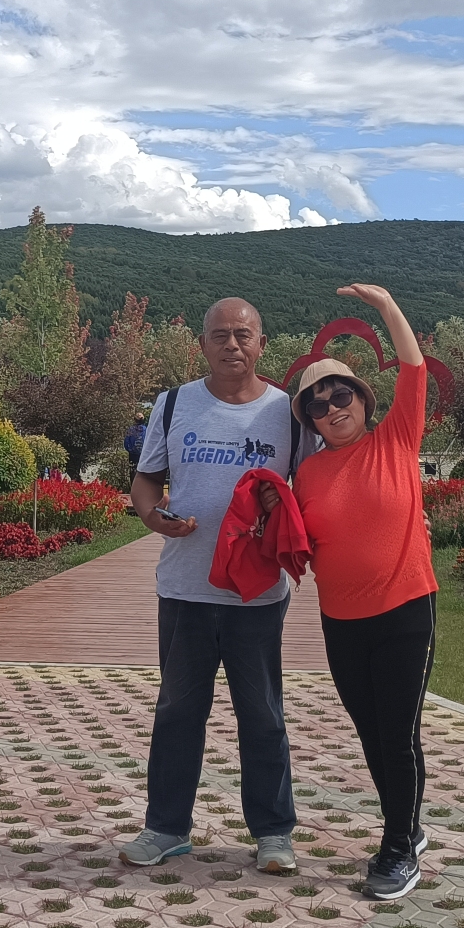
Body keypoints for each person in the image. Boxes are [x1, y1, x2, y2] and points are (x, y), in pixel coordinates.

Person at [121, 297, 302, 874]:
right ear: (202, 344)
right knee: (178, 712)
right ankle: (166, 828)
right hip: (184, 589)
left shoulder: (290, 414)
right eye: (220, 335)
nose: (232, 344)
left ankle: (273, 833)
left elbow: (318, 489)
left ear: (261, 343)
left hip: (256, 595)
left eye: (243, 334)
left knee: (263, 714)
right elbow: (146, 480)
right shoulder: (174, 405)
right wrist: (154, 517)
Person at [288, 283, 438, 900]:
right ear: (309, 420)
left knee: (397, 731)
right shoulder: (309, 471)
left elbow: (414, 367)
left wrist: (385, 307)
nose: (331, 409)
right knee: (373, 732)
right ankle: (408, 823)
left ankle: (398, 846)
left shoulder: (397, 437)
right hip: (341, 620)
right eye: (318, 406)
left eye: (341, 395)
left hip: (405, 608)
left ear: (362, 399)